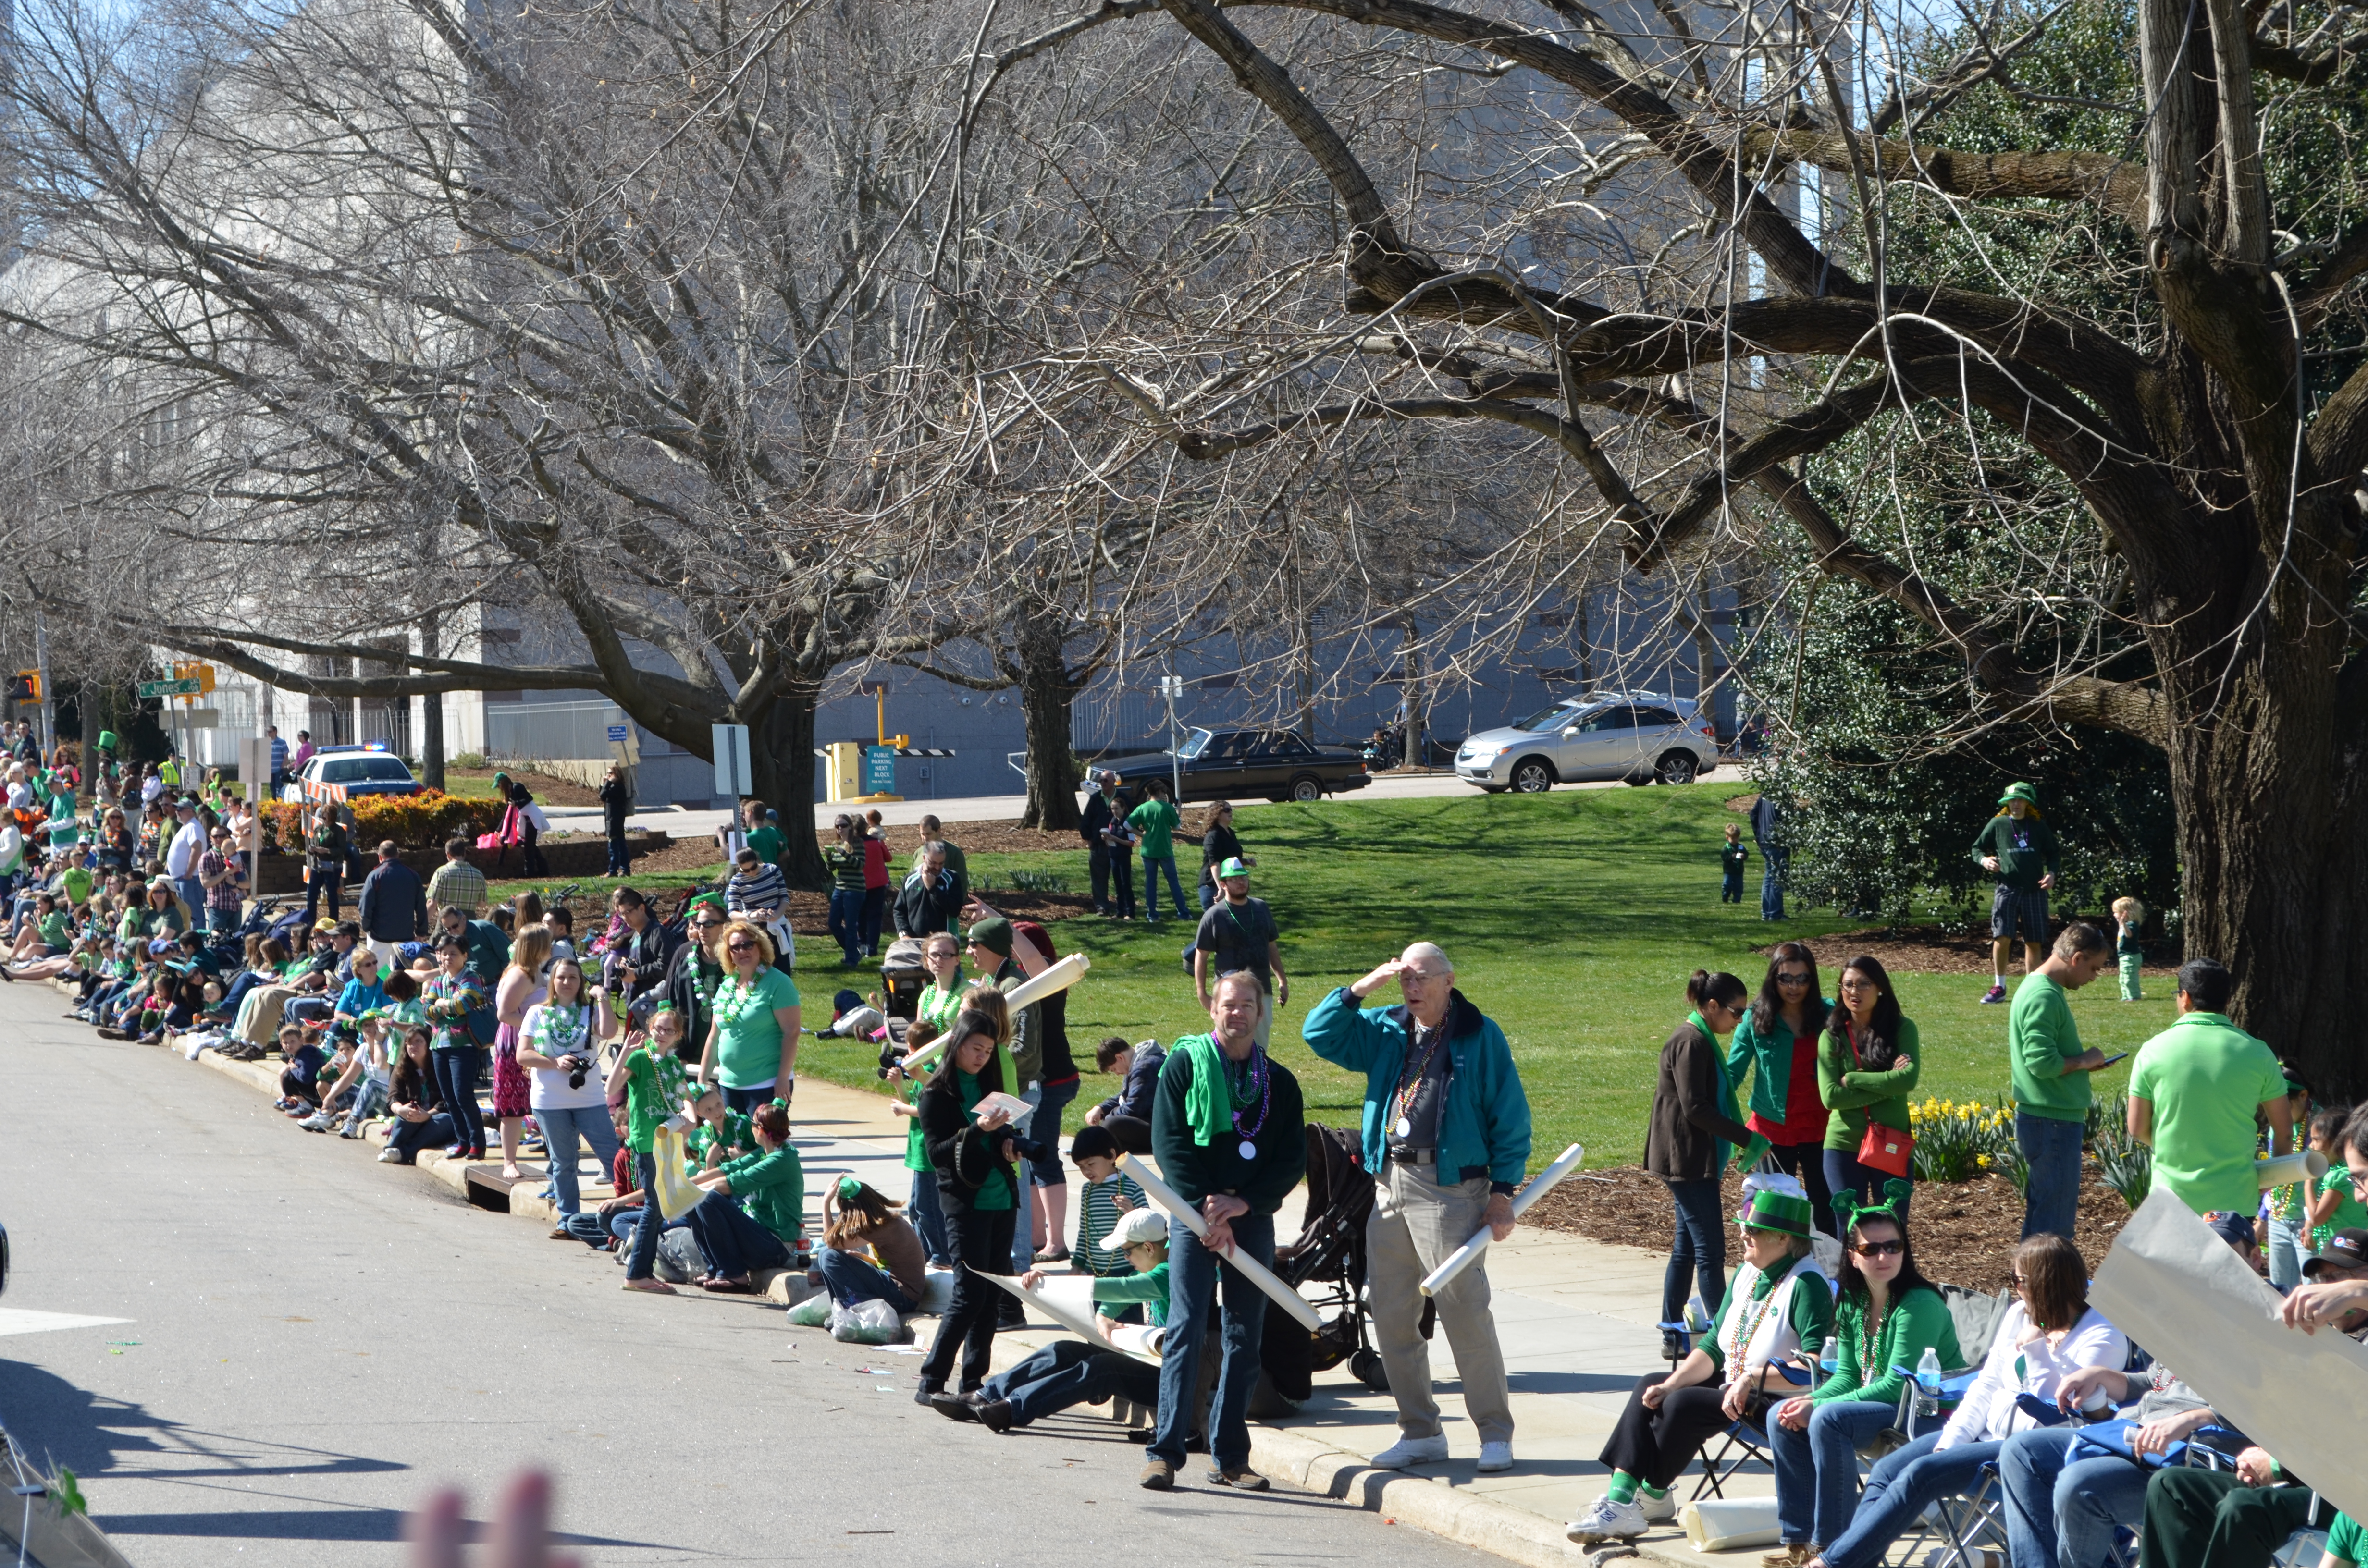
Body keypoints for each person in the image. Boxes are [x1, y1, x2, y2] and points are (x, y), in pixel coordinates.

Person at [1303, 941, 1532, 1473]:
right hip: (1389, 1184)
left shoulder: (1479, 1035)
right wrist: (1362, 988)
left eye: (1422, 978)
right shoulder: (1385, 1028)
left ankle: (1494, 1433)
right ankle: (1420, 1431)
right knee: (1389, 1314)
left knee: (1463, 1313)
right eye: (1405, 978)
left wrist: (1502, 1193)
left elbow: (1510, 1116)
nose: (1412, 988)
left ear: (1449, 981)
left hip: (1450, 1191)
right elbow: (1319, 1033)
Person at [1798, 1233, 2127, 1568]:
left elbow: (2054, 1413)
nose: (2016, 1289)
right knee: (1886, 1470)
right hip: (1985, 1438)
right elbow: (1986, 1386)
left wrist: (2036, 1350)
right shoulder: (2020, 1314)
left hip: (2034, 1457)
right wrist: (1951, 1442)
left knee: (1922, 1474)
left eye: (2020, 1281)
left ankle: (1831, 1564)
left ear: (2048, 1283)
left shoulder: (2103, 1335)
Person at [1996, 1209, 2280, 1568]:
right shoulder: (2194, 1317)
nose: (2212, 1265)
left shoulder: (2278, 1326)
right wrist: (2108, 1377)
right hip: (2133, 1436)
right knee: (2022, 1452)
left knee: (2080, 1485)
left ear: (2255, 1258)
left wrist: (2196, 1417)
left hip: (2196, 1462)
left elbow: (2281, 1413)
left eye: (2226, 1253)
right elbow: (2158, 1383)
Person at [1569, 1181, 1832, 1544]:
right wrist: (1670, 1383)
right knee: (1653, 1386)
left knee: (1685, 1403)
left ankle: (1648, 1495)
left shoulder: (1807, 1284)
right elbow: (1713, 1347)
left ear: (1785, 1239)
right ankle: (1628, 1501)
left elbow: (1818, 1366)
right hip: (1733, 1382)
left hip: (1778, 1397)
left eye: (1754, 1230)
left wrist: (1753, 1379)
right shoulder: (1747, 1273)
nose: (1743, 1235)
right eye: (1743, 1226)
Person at [1143, 970, 1308, 1493]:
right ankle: (1164, 1452)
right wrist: (1204, 1214)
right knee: (1186, 1330)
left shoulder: (1278, 1083)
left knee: (1244, 1338)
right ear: (1211, 1009)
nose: (1236, 1013)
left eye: (1246, 1006)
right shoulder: (1183, 1066)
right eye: (1227, 1005)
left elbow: (1289, 1161)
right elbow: (1169, 1144)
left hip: (1251, 1220)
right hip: (1192, 1218)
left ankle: (1231, 1457)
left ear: (1260, 1014)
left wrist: (1242, 1205)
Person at [1766, 1183, 1961, 1567]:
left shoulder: (1917, 1303)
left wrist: (1821, 1406)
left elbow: (1894, 1385)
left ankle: (1836, 1549)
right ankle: (1800, 1544)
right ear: (1853, 1256)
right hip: (1886, 1407)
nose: (1884, 1255)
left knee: (1829, 1419)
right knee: (1780, 1414)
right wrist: (1811, 1399)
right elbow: (1849, 1376)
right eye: (1871, 1249)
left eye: (1894, 1246)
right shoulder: (1854, 1302)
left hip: (1928, 1412)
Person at [937, 1207, 1173, 1433]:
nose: (1126, 1258)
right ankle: (988, 1394)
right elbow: (1120, 1297)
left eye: (1127, 1251)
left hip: (1171, 1378)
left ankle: (1012, 1409)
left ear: (1150, 1249)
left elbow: (1125, 1289)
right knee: (1064, 1350)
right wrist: (1103, 1317)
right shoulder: (1148, 1271)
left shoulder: (1168, 1274)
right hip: (1155, 1365)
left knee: (1103, 1369)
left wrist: (1056, 1284)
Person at [1645, 969, 1764, 1359]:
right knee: (1710, 1251)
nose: (1741, 1019)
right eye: (1736, 1012)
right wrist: (1748, 1138)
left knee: (1687, 1250)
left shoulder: (1699, 1038)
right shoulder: (1692, 1043)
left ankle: (1673, 1333)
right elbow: (1696, 1108)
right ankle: (1727, 1342)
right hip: (1687, 1160)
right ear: (1711, 1006)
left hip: (1686, 1156)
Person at [915, 1008, 1025, 1403]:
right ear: (957, 1045)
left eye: (988, 1050)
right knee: (969, 1295)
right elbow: (937, 1155)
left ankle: (974, 1383)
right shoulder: (935, 1096)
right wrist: (977, 1130)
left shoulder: (991, 1088)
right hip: (965, 1203)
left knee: (993, 1295)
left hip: (1001, 1198)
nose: (981, 1057)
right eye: (976, 1048)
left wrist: (1009, 1145)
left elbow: (999, 1139)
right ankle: (930, 1382)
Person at [2127, 957, 2293, 1216]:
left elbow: (2137, 1128)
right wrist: (2271, 1179)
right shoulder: (2258, 1053)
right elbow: (2284, 1132)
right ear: (2228, 1001)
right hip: (2235, 1201)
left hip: (2171, 1199)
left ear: (2185, 997)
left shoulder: (2152, 1051)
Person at [2011, 923, 2116, 1239]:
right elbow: (2041, 1063)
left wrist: (2081, 1066)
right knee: (2053, 1227)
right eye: (2094, 969)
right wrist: (2084, 1060)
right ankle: (2047, 1288)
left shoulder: (2038, 988)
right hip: (2051, 1121)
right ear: (2077, 958)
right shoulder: (2044, 996)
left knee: (2044, 1216)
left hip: (2047, 1119)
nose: (2094, 978)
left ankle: (2030, 1286)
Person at [1726, 943, 1835, 1235]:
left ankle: (1829, 1278)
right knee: (1772, 1218)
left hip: (1820, 1128)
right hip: (1772, 1133)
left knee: (1826, 1213)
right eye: (1785, 978)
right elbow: (1732, 1074)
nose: (1794, 986)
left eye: (1803, 978)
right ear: (1773, 978)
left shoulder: (1829, 1015)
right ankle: (1775, 1277)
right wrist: (1704, 1109)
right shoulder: (1755, 1017)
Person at [515, 956, 619, 1232]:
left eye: (573, 977)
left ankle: (631, 1210)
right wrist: (555, 1063)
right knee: (563, 1163)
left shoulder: (589, 1011)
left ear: (581, 982)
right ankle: (568, 1220)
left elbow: (609, 1031)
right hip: (550, 1100)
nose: (567, 982)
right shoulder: (537, 1013)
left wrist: (602, 998)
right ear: (552, 981)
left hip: (590, 1098)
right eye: (561, 977)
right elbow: (523, 1055)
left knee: (612, 1155)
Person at [1819, 954, 1922, 1213]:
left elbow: (1907, 1080)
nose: (1855, 992)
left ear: (1880, 989)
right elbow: (1831, 1097)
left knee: (1893, 1225)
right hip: (1843, 1145)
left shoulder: (1902, 1029)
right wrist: (1888, 1087)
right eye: (1848, 985)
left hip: (1891, 1142)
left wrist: (1854, 1079)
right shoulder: (1831, 1037)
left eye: (1864, 984)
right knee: (1849, 1228)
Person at [605, 1004, 694, 1293]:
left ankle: (641, 1272)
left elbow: (686, 1095)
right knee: (654, 1207)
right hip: (646, 1141)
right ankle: (637, 1274)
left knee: (657, 1209)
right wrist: (625, 1054)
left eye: (670, 1030)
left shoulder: (672, 1063)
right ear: (650, 1028)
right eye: (659, 1028)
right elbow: (612, 1088)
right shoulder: (642, 1059)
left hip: (669, 1140)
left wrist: (691, 1117)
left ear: (677, 1035)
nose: (663, 1034)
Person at [682, 1101, 803, 1292]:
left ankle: (733, 1272)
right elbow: (726, 1170)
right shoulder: (763, 1153)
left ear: (762, 1131)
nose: (751, 1127)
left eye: (753, 1124)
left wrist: (691, 1191)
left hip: (775, 1247)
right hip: (757, 1238)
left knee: (708, 1198)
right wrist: (684, 1186)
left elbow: (733, 1182)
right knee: (691, 1200)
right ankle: (716, 1268)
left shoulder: (782, 1160)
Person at [695, 917, 799, 1112]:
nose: (742, 951)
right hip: (728, 1085)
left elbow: (792, 1032)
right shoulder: (726, 987)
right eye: (735, 948)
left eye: (748, 944)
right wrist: (702, 1082)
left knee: (763, 1143)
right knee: (733, 1142)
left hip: (766, 1085)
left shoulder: (778, 983)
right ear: (729, 954)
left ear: (760, 947)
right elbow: (714, 1038)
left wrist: (783, 1078)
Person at [1974, 781, 2061, 1003]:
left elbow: (2054, 853)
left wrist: (2052, 873)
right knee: (2002, 936)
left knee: (2034, 941)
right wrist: (1985, 861)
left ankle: (2032, 988)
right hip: (2007, 889)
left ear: (2028, 802)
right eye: (2012, 800)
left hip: (2035, 890)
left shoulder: (2039, 826)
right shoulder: (1998, 824)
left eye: (2020, 799)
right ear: (2006, 803)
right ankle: (1999, 987)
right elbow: (1977, 848)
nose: (2016, 804)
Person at [1193, 857, 1288, 1051]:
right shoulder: (1214, 915)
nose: (1241, 882)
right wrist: (1202, 993)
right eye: (1235, 879)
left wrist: (1282, 980)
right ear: (1223, 884)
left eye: (1243, 877)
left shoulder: (1261, 908)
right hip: (1228, 992)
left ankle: (1258, 1079)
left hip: (1261, 989)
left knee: (1260, 1044)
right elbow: (1201, 956)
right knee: (1230, 1042)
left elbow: (1272, 947)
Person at [491, 925, 553, 1180]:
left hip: (537, 1043)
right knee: (513, 1107)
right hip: (515, 1045)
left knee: (547, 1103)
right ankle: (509, 1162)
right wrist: (535, 1023)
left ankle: (557, 1157)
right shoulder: (520, 975)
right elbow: (504, 1014)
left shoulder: (537, 972)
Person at [815, 1177, 928, 1313]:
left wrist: (826, 1202)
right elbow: (893, 1265)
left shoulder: (881, 1227)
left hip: (904, 1298)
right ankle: (843, 1309)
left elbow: (830, 1243)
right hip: (899, 1291)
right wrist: (865, 1259)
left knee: (830, 1256)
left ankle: (854, 1308)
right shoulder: (884, 1221)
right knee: (825, 1254)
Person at [1067, 1124, 1146, 1279]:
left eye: (1091, 1164)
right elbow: (1085, 1232)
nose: (1086, 1171)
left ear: (1111, 1156)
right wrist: (1077, 1265)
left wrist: (1132, 1212)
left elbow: (1149, 1227)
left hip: (1126, 1269)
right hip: (1094, 1270)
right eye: (1081, 1167)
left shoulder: (1131, 1186)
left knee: (1125, 1304)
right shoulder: (1087, 1191)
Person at [659, 899, 728, 1063]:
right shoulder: (686, 962)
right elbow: (669, 1003)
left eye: (709, 923)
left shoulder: (735, 966)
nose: (702, 929)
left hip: (725, 1058)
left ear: (725, 926)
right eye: (699, 924)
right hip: (687, 1057)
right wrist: (677, 1050)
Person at [379, 1025, 456, 1164]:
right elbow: (393, 1097)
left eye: (418, 1042)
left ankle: (402, 1152)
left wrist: (427, 1115)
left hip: (435, 1118)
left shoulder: (441, 1067)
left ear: (428, 1044)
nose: (413, 1046)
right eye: (409, 1043)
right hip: (413, 1117)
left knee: (445, 1119)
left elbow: (446, 1100)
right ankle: (391, 1148)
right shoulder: (401, 1069)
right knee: (405, 1115)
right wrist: (400, 1109)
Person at [1086, 1033, 1163, 1154]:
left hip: (1164, 1127)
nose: (1117, 1074)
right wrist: (1101, 1108)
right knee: (1110, 1132)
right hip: (1154, 1120)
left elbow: (1132, 1110)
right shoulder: (1138, 1062)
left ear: (1120, 1058)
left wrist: (1106, 1118)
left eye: (1114, 1069)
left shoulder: (1145, 1067)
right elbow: (1127, 1097)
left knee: (1111, 1125)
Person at [357, 841, 428, 968]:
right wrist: (422, 931)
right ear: (398, 855)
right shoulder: (413, 875)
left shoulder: (375, 875)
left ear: (380, 856)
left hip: (379, 935)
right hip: (405, 935)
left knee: (377, 971)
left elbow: (366, 905)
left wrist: (366, 926)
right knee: (401, 973)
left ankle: (382, 988)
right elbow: (421, 905)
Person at [604, 886, 677, 1004]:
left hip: (656, 1004)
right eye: (622, 914)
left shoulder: (658, 932)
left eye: (628, 912)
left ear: (642, 908)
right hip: (637, 1001)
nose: (625, 918)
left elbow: (667, 965)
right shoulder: (635, 937)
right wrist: (627, 965)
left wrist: (636, 974)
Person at [1128, 776, 1185, 924]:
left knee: (1151, 883)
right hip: (1165, 850)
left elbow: (1127, 826)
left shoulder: (1142, 808)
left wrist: (1141, 834)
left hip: (1148, 851)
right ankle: (1183, 912)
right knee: (1173, 882)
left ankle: (1152, 915)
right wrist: (1178, 810)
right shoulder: (1167, 808)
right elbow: (1177, 826)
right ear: (1160, 792)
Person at [892, 842, 965, 940]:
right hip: (914, 942)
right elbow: (899, 910)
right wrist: (903, 933)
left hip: (944, 942)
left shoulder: (952, 879)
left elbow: (955, 910)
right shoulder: (910, 879)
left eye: (941, 863)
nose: (937, 867)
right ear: (924, 858)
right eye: (933, 863)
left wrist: (932, 888)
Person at [824, 814, 866, 966]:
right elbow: (832, 869)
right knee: (833, 923)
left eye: (843, 825)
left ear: (850, 826)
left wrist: (844, 853)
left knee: (850, 924)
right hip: (839, 888)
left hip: (855, 889)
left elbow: (860, 865)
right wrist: (829, 856)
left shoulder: (858, 843)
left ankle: (851, 959)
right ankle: (853, 952)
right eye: (837, 826)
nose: (840, 829)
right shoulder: (836, 844)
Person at [1196, 801, 1251, 912]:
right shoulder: (1213, 835)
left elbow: (1230, 859)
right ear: (1217, 814)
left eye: (1231, 809)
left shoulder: (1230, 832)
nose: (1230, 812)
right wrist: (1220, 888)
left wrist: (1246, 861)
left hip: (1229, 885)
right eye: (1226, 810)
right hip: (1212, 887)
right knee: (1216, 926)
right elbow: (1215, 863)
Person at [301, 805, 350, 924]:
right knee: (311, 894)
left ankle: (333, 922)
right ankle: (310, 922)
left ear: (332, 817)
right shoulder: (319, 829)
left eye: (326, 816)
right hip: (318, 866)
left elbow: (342, 849)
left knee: (332, 896)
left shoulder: (339, 831)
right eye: (323, 816)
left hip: (332, 867)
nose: (324, 818)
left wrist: (327, 851)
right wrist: (312, 849)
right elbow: (313, 843)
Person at [1080, 770, 1120, 916]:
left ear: (1114, 782)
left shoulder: (1122, 799)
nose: (1103, 783)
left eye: (1106, 781)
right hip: (1099, 846)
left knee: (1120, 877)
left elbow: (1131, 820)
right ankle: (1102, 907)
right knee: (1098, 879)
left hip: (1119, 846)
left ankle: (1121, 906)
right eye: (1101, 781)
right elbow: (1086, 821)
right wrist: (1089, 839)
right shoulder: (1096, 799)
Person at [197, 825, 247, 939]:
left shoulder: (236, 856)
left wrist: (235, 883)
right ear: (211, 838)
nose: (219, 839)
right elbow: (205, 883)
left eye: (222, 836)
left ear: (227, 837)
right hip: (218, 907)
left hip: (236, 907)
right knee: (217, 942)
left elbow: (248, 883)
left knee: (235, 943)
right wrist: (226, 872)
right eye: (216, 836)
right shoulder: (207, 857)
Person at [162, 797, 206, 919]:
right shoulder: (187, 827)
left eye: (180, 809)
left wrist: (188, 873)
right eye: (176, 809)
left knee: (193, 912)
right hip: (182, 879)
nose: (177, 811)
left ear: (190, 811)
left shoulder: (193, 826)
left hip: (190, 879)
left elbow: (196, 849)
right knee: (186, 913)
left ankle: (198, 936)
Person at [425, 838, 488, 919]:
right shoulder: (478, 874)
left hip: (447, 923)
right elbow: (482, 904)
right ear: (464, 853)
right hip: (470, 924)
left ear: (448, 855)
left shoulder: (441, 873)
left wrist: (423, 926)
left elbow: (432, 904)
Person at [1751, 787, 1787, 921]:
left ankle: (1766, 913)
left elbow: (1753, 814)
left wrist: (1758, 834)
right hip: (1777, 843)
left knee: (1769, 876)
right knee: (1777, 877)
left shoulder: (1765, 794)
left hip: (1764, 841)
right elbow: (1785, 819)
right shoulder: (1781, 795)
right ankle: (1775, 913)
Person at [859, 813, 891, 959]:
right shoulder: (877, 842)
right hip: (878, 883)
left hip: (860, 883)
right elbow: (889, 858)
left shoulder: (853, 844)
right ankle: (872, 948)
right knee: (875, 917)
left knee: (861, 915)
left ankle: (862, 944)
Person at [599, 762, 632, 876]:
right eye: (607, 774)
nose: (608, 776)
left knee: (613, 847)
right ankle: (625, 870)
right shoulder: (614, 787)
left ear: (616, 775)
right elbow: (603, 796)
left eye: (610, 774)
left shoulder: (618, 787)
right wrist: (604, 784)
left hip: (615, 821)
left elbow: (603, 795)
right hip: (613, 820)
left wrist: (607, 783)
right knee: (621, 844)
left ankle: (613, 871)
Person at [2113, 895, 2146, 1000]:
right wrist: (2122, 924)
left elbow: (2129, 935)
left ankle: (2134, 996)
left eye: (2116, 912)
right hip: (2124, 956)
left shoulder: (2132, 925)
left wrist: (2123, 924)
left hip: (2131, 957)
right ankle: (2126, 996)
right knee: (2123, 978)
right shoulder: (2127, 924)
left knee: (2130, 978)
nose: (2114, 915)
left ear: (2125, 913)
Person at [1721, 822, 1749, 904]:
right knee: (1727, 885)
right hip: (1729, 871)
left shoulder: (1741, 847)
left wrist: (1744, 856)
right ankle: (1725, 897)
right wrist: (1731, 856)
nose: (1735, 840)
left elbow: (1746, 854)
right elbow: (1724, 857)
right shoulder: (1726, 848)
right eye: (1733, 838)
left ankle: (1737, 900)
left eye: (1737, 838)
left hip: (1739, 871)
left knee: (1739, 887)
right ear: (1727, 837)